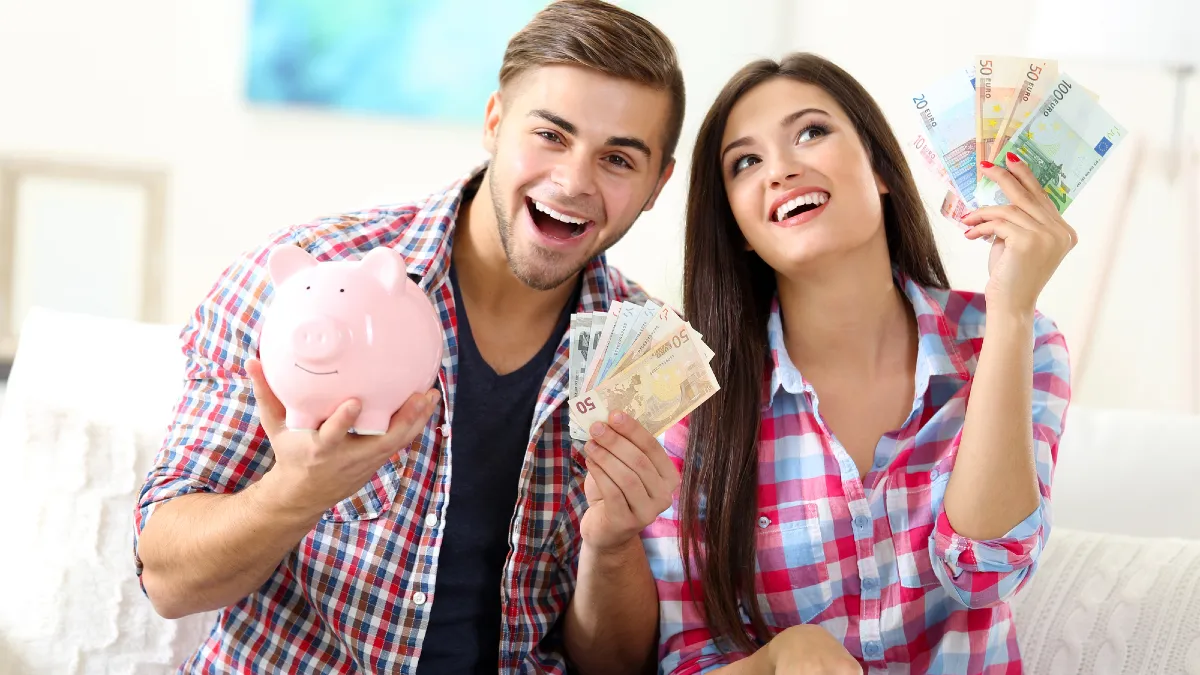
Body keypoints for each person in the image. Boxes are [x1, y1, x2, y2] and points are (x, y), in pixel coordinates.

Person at [133, 1, 683, 672]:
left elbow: (613, 667)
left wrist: (613, 542)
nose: (573, 181)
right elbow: (167, 578)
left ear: (658, 184)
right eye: (551, 135)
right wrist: (296, 493)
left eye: (618, 159)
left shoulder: (647, 351)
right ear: (494, 122)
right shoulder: (310, 279)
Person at [639, 53, 1073, 673]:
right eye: (746, 162)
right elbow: (685, 657)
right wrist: (778, 660)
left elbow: (988, 570)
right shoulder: (688, 399)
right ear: (736, 225)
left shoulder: (1020, 343)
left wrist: (1010, 313)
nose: (781, 170)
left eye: (810, 132)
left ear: (882, 169)